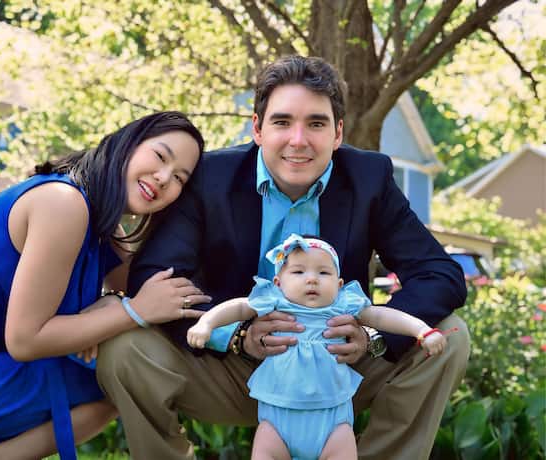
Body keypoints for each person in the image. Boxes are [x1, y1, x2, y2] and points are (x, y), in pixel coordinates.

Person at [97, 55, 470, 460]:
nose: (298, 140)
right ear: (258, 129)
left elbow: (439, 273)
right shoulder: (211, 176)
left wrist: (372, 338)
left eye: (316, 124)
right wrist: (237, 335)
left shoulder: (369, 178)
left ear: (338, 133)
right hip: (232, 368)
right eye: (282, 122)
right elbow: (156, 274)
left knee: (451, 334)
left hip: (336, 370)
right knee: (125, 350)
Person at [0, 111, 211, 460]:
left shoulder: (101, 225)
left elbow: (134, 286)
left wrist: (114, 303)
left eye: (179, 178)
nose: (163, 178)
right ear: (126, 144)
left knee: (123, 371)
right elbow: (25, 340)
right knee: (121, 376)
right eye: (160, 156)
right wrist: (133, 311)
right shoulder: (63, 204)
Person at [187, 234, 450, 459]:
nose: (312, 279)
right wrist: (206, 324)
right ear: (278, 282)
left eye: (323, 272)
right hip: (277, 422)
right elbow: (238, 307)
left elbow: (382, 316)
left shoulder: (343, 304)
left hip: (333, 423)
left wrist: (421, 330)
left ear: (339, 284)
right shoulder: (274, 301)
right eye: (298, 272)